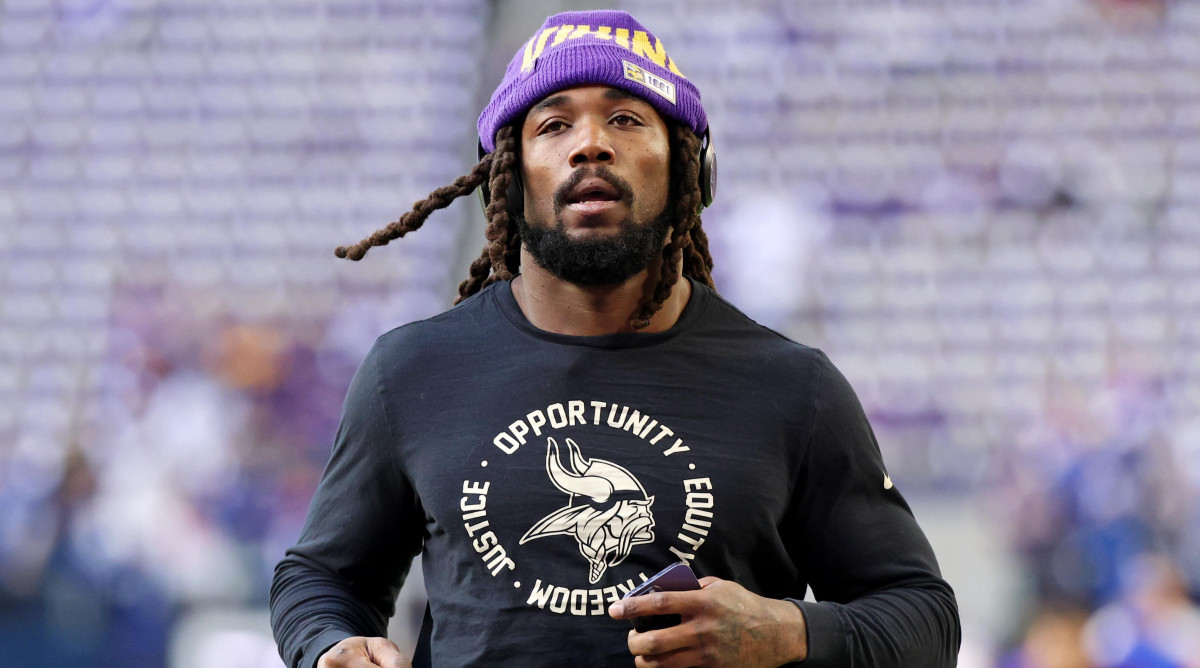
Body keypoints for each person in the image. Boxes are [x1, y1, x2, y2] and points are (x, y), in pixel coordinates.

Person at [270, 10, 961, 668]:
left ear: (690, 170)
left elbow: (923, 618)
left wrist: (790, 631)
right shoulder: (412, 370)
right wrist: (331, 644)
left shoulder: (793, 387)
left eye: (626, 119)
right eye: (553, 124)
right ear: (505, 182)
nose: (591, 141)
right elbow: (322, 577)